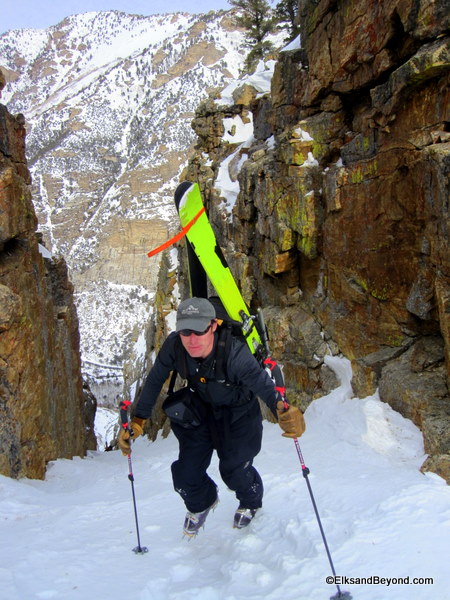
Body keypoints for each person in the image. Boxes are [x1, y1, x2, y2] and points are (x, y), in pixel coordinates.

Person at [118, 297, 305, 537]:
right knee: (186, 474)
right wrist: (138, 420)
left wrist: (283, 409)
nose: (192, 339)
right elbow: (155, 380)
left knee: (234, 470)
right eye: (186, 331)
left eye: (199, 330)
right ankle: (202, 502)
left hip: (239, 413)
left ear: (214, 326)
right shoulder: (175, 346)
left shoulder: (234, 354)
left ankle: (251, 500)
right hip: (201, 409)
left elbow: (262, 384)